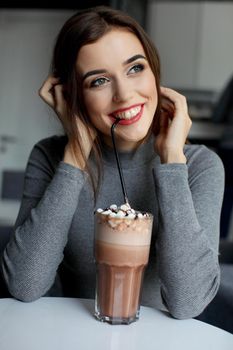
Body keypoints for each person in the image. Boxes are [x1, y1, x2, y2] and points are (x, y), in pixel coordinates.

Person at [1, 6, 224, 319]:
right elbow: (24, 285)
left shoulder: (201, 166)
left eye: (135, 69)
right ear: (72, 94)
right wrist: (76, 156)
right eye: (99, 81)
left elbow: (188, 302)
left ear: (154, 72)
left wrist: (173, 161)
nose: (124, 94)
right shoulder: (51, 158)